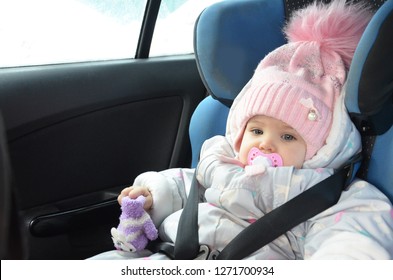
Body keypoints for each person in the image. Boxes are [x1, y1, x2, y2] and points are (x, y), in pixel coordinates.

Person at [90, 0, 393, 260]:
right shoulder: (221, 162)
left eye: (288, 136)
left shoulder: (329, 195)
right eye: (256, 130)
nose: (266, 144)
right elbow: (187, 184)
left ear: (321, 146)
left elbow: (353, 239)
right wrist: (155, 193)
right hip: (174, 251)